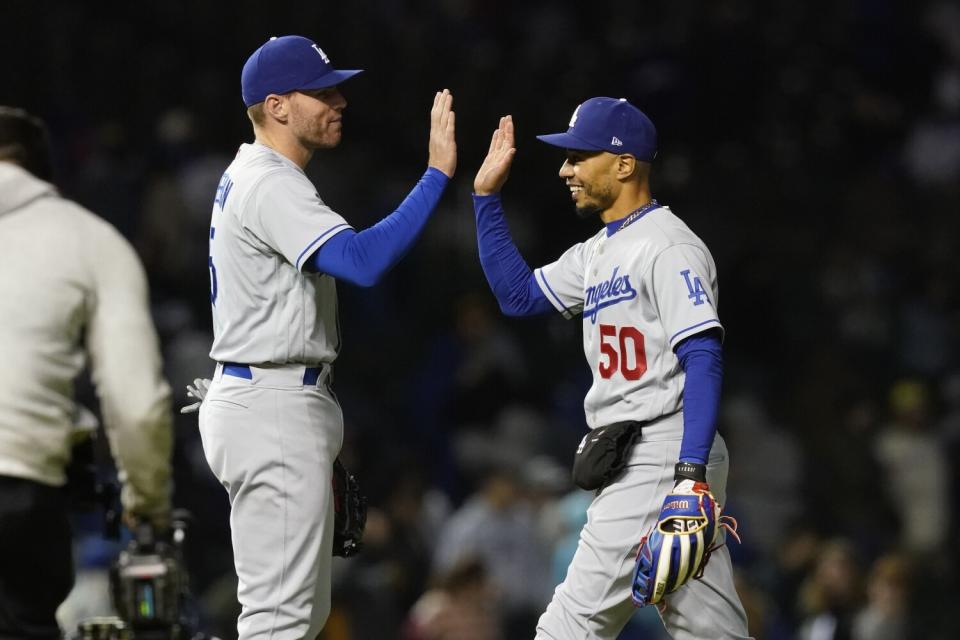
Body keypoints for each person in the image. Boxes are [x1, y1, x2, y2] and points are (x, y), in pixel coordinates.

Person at [197, 35, 456, 639]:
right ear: (278, 105)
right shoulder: (268, 181)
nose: (339, 100)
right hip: (271, 403)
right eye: (321, 91)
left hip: (269, 395)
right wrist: (436, 175)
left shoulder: (255, 175)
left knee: (301, 618)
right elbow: (362, 261)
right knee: (279, 625)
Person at [470, 98, 750, 639]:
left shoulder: (668, 246)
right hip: (650, 450)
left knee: (568, 626)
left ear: (624, 164)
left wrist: (689, 477)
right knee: (709, 627)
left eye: (578, 156)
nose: (564, 170)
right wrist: (486, 197)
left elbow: (703, 355)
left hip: (660, 451)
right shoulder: (599, 250)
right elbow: (519, 296)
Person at [0, 106, 173, 639]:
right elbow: (137, 406)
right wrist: (147, 511)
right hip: (19, 490)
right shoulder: (90, 240)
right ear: (42, 171)